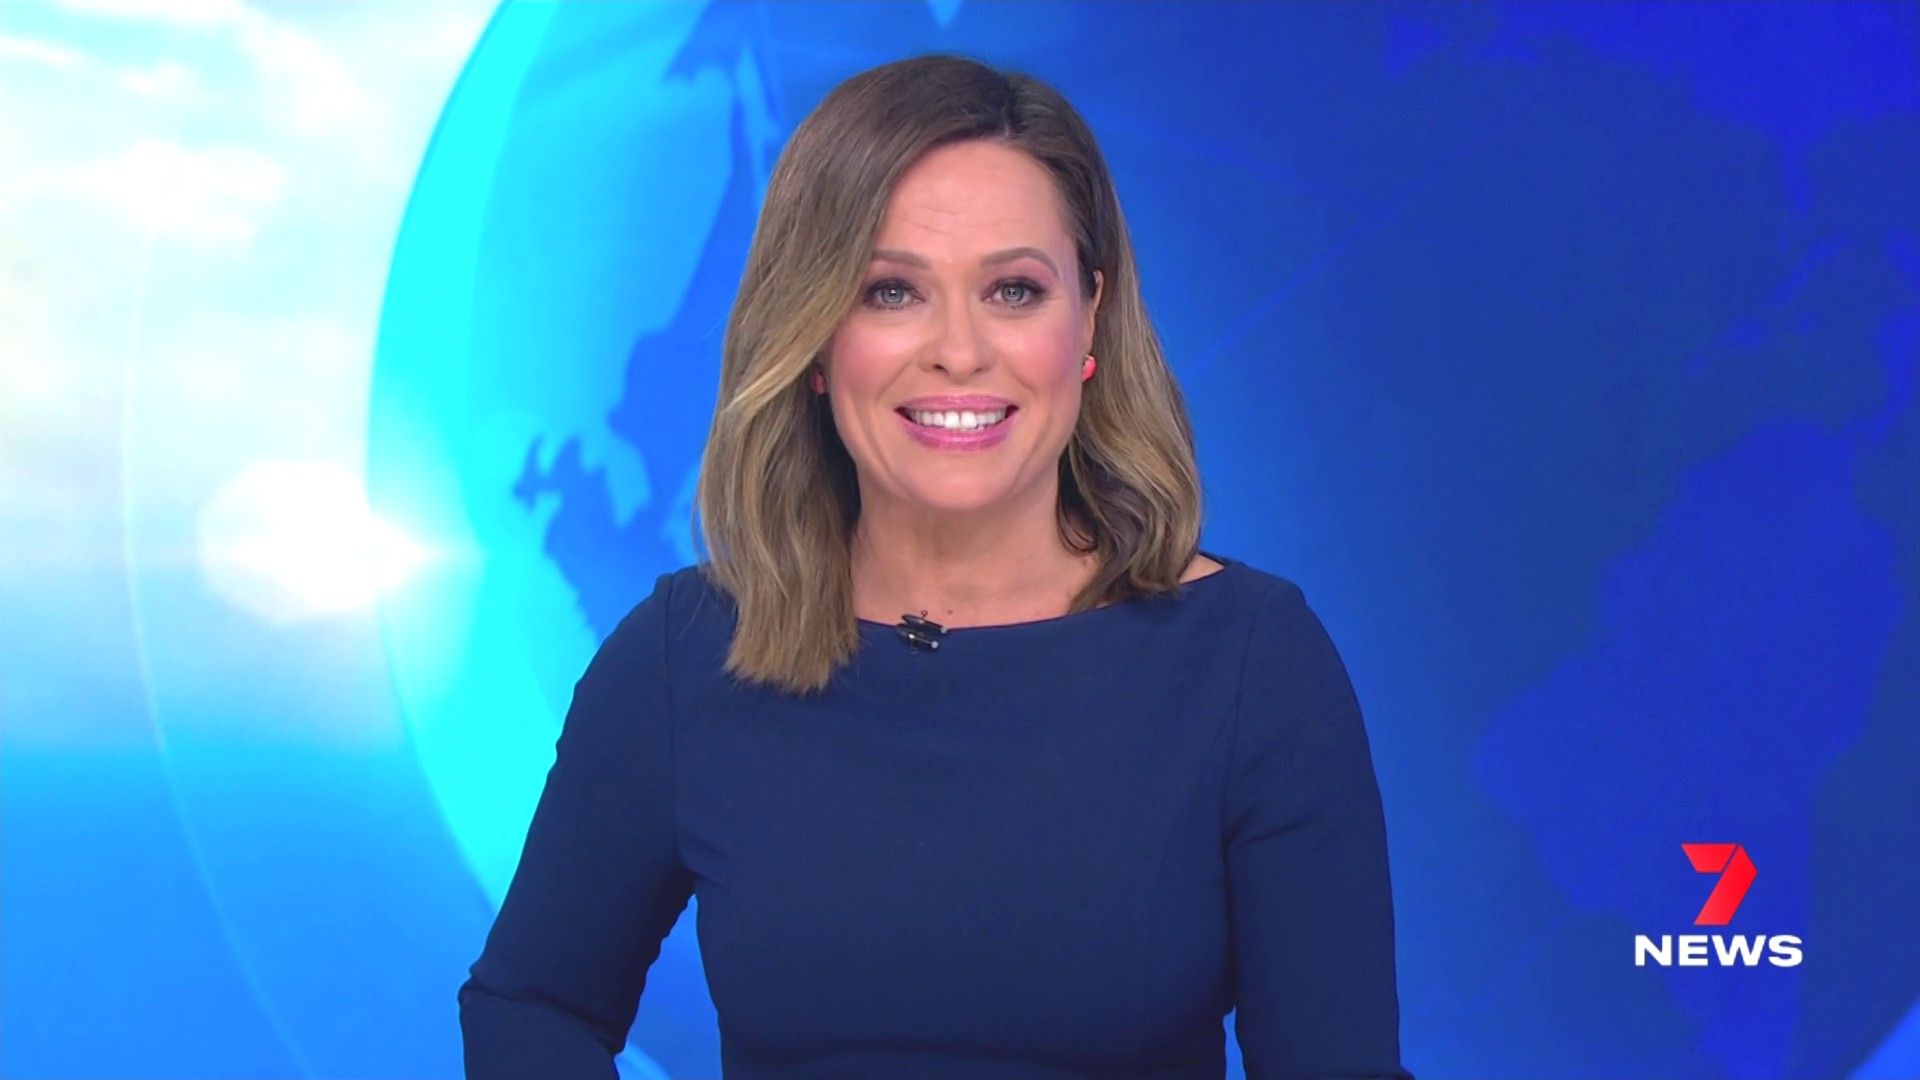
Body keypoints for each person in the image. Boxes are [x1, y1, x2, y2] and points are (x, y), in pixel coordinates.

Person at [458, 52, 1412, 1080]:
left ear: (1088, 320)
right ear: (815, 338)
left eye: (1013, 290)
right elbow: (530, 1005)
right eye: (892, 291)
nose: (960, 351)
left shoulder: (1253, 665)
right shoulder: (683, 657)